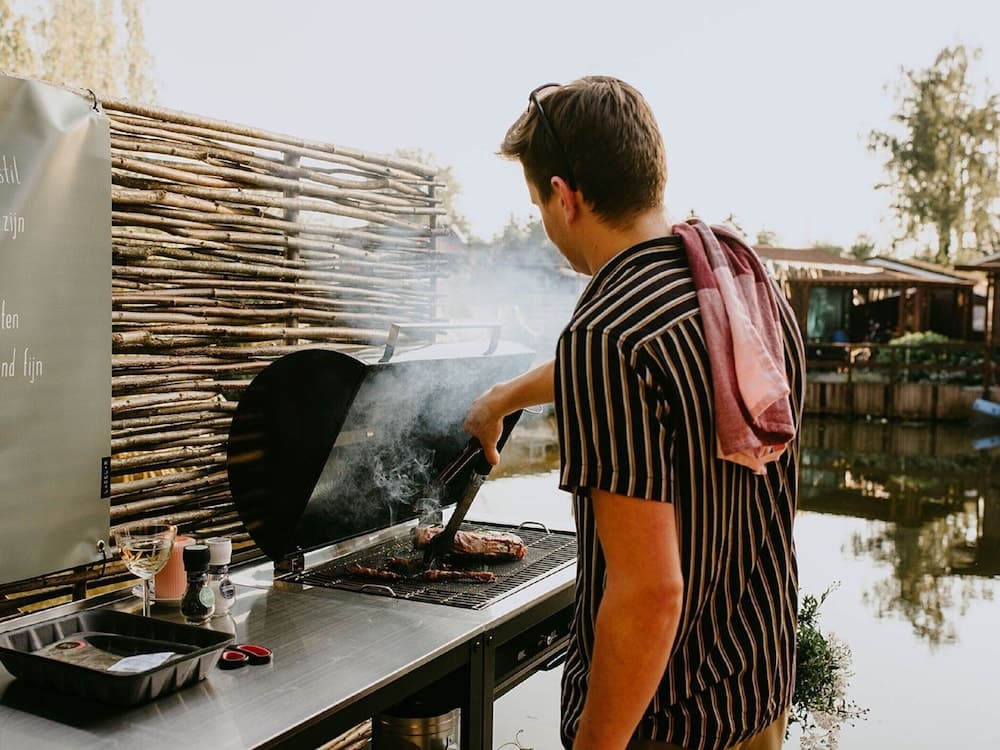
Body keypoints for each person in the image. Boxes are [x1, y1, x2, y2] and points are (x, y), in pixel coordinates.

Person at [463, 77, 805, 750]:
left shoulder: (606, 333)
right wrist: (504, 396)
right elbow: (653, 367)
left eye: (538, 204)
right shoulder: (738, 284)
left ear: (566, 196)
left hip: (669, 723)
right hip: (759, 693)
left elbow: (650, 594)